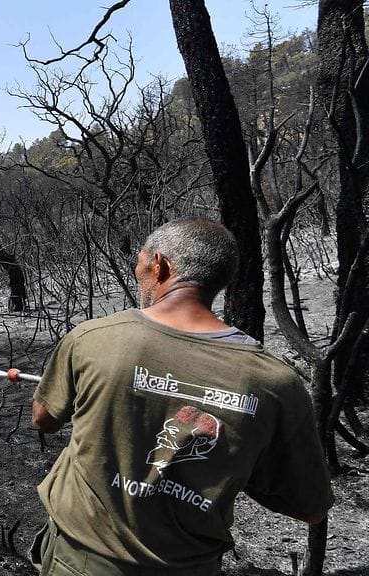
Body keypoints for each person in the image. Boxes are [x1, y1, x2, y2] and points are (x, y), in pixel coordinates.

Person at [29, 217, 334, 576]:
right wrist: (238, 462)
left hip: (80, 561)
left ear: (160, 266)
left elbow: (43, 419)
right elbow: (311, 508)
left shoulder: (93, 339)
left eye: (140, 263)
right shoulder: (276, 382)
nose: (138, 273)